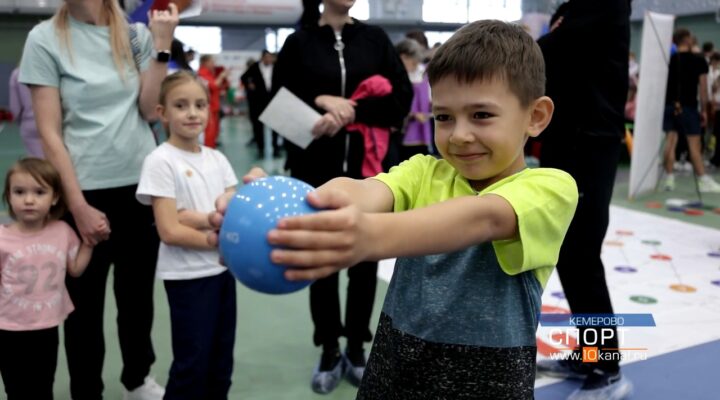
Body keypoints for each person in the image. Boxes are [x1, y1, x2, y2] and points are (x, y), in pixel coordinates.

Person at [212, 19, 578, 399]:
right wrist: (293, 205)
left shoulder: (550, 188)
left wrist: (367, 236)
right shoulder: (422, 171)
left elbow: (485, 217)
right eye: (444, 117)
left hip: (488, 384)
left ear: (535, 116)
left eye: (482, 115)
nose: (459, 135)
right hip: (392, 370)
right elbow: (358, 191)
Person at [18, 1, 178, 399]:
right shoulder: (44, 40)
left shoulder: (136, 36)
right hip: (82, 191)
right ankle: (86, 390)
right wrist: (77, 206)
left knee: (137, 298)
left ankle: (137, 379)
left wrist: (162, 47)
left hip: (141, 190)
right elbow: (50, 133)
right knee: (83, 308)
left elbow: (148, 111)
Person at [272, 0, 413, 393]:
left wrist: (354, 111)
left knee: (366, 261)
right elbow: (276, 101)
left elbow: (400, 97)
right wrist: (319, 101)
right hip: (315, 169)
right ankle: (329, 347)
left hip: (370, 174)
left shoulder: (375, 39)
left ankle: (356, 345)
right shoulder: (298, 43)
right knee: (322, 264)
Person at [535, 1, 635, 399]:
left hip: (591, 144)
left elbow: (553, 49)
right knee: (568, 255)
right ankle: (587, 350)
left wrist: (505, 44)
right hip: (563, 141)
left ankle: (606, 365)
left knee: (582, 256)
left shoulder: (608, 5)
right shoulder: (569, 8)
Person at [136, 71, 238, 399]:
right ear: (162, 113)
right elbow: (169, 230)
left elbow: (233, 213)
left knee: (221, 362)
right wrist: (217, 237)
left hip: (223, 272)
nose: (192, 113)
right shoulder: (160, 161)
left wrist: (199, 218)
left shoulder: (217, 158)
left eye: (199, 105)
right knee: (192, 362)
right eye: (181, 105)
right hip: (187, 277)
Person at [0, 158, 93, 400]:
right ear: (8, 196)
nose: (29, 200)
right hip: (8, 328)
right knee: (16, 389)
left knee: (43, 385)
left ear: (54, 197)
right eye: (19, 192)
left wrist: (90, 243)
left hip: (46, 325)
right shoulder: (2, 239)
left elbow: (75, 269)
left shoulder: (62, 231)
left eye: (39, 192)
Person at [661, 28, 720, 193]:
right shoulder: (699, 61)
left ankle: (669, 179)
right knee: (694, 145)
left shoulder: (669, 60)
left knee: (670, 142)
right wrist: (705, 110)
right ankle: (702, 179)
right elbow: (703, 89)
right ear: (687, 40)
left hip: (669, 105)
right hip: (688, 107)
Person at [395, 38, 433, 160]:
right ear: (403, 56)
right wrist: (412, 114)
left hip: (422, 129)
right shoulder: (396, 77)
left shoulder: (424, 74)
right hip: (403, 132)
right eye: (412, 62)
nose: (414, 65)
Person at [241, 50, 281, 158]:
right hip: (258, 101)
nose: (269, 60)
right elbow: (243, 77)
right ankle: (261, 149)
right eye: (267, 57)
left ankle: (276, 148)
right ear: (262, 58)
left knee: (275, 126)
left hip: (273, 100)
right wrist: (250, 86)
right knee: (258, 127)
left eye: (270, 57)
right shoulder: (255, 66)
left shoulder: (277, 67)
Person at [9, 67, 43, 158]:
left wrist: (23, 122)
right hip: (54, 124)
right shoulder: (50, 68)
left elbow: (15, 110)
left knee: (37, 165)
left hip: (29, 125)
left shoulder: (17, 74)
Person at [197, 54, 229, 149]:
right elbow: (213, 85)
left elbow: (216, 88)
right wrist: (222, 76)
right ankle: (207, 151)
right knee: (209, 133)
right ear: (204, 62)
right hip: (208, 107)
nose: (213, 64)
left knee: (214, 132)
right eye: (211, 62)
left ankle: (210, 150)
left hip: (214, 106)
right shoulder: (202, 73)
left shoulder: (210, 73)